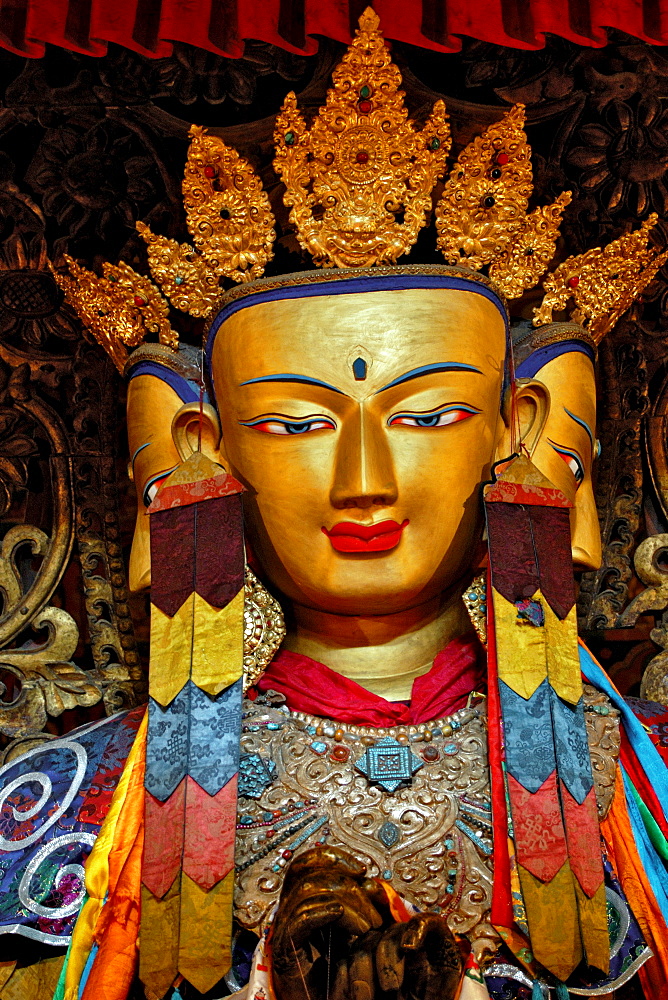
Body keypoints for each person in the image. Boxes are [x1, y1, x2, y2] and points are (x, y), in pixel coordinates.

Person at [2, 10, 668, 1000]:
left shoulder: (638, 788)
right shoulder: (77, 814)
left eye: (428, 412)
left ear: (520, 425)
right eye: (294, 423)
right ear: (197, 440)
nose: (364, 477)